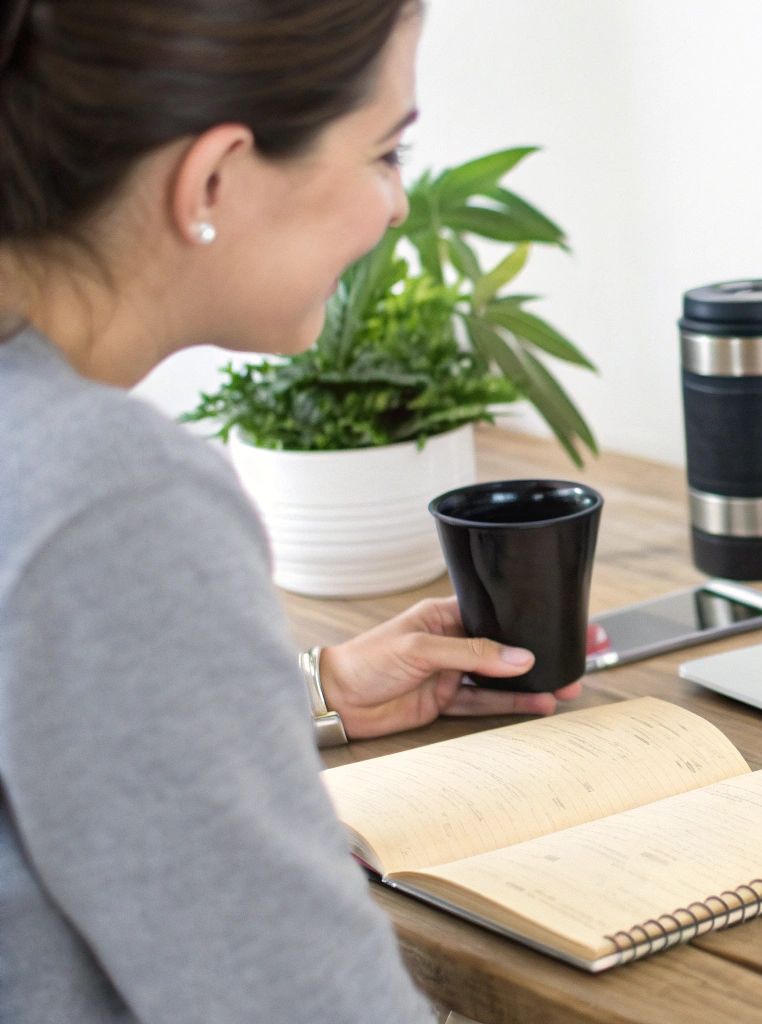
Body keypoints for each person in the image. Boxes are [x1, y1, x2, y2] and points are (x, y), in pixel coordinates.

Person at [0, 1, 582, 1020]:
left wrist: (309, 691)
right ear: (213, 178)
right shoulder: (110, 495)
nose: (399, 206)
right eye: (386, 153)